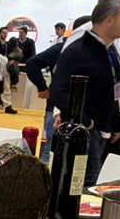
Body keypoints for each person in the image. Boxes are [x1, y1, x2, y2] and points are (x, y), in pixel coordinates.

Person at [49, 0, 120, 186]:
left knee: (97, 187)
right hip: (86, 134)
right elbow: (58, 91)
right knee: (83, 187)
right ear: (109, 19)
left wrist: (118, 125)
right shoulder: (78, 50)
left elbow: (112, 91)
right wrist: (84, 121)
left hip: (105, 133)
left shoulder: (110, 51)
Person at [26, 15, 92, 161]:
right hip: (58, 110)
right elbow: (32, 64)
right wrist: (43, 88)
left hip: (80, 113)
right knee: (50, 154)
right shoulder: (63, 48)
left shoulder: (89, 53)